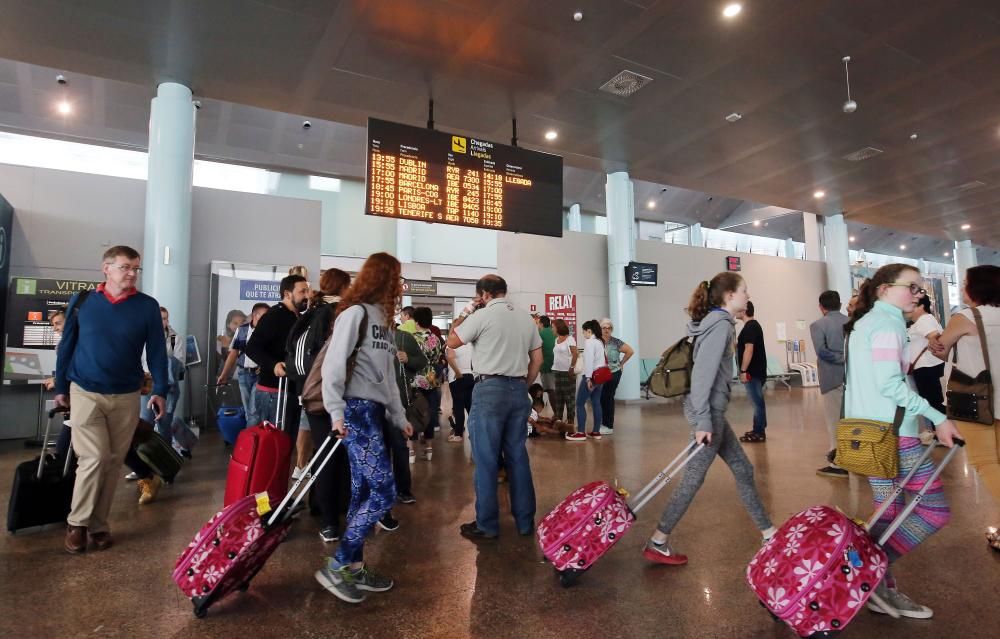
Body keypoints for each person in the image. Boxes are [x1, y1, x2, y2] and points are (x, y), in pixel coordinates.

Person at [844, 263, 961, 618]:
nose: (918, 293)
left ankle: (877, 583)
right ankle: (872, 572)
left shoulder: (866, 323)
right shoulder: (887, 325)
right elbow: (889, 385)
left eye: (920, 288)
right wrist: (939, 417)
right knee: (933, 510)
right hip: (895, 435)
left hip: (867, 432)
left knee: (888, 510)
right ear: (884, 289)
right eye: (911, 287)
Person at [645, 273, 777, 566]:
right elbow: (703, 375)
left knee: (743, 469)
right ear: (729, 296)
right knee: (693, 477)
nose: (747, 294)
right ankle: (658, 539)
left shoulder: (715, 323)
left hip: (709, 410)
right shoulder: (720, 326)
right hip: (707, 412)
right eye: (744, 290)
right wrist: (704, 420)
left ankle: (769, 532)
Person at [54, 245, 168, 554]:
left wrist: (161, 389)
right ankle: (77, 523)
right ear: (106, 268)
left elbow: (157, 351)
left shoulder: (146, 306)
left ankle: (98, 525)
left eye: (135, 268)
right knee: (93, 458)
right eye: (125, 267)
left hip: (127, 394)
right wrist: (61, 386)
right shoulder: (83, 302)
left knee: (113, 461)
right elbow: (66, 347)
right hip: (85, 391)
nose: (131, 273)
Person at [314, 252, 414, 604]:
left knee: (361, 494)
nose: (400, 285)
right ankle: (338, 563)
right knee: (385, 492)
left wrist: (400, 418)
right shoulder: (354, 314)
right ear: (382, 278)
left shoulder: (384, 323)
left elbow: (388, 379)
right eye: (397, 278)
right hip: (355, 411)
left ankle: (354, 567)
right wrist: (336, 411)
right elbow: (333, 365)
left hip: (372, 412)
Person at [448, 274, 542, 541]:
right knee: (517, 456)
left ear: (483, 294)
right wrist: (525, 384)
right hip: (518, 390)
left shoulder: (481, 315)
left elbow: (452, 341)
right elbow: (537, 357)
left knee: (487, 459)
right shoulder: (525, 317)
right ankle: (525, 523)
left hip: (489, 390)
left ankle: (487, 525)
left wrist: (469, 309)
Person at [928, 264, 1000, 552]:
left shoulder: (967, 316)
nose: (962, 288)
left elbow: (941, 349)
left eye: (965, 283)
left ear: (975, 288)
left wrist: (933, 339)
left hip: (979, 398)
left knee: (984, 462)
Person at [297, 268, 353, 543]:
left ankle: (323, 510)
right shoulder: (336, 314)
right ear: (343, 288)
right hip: (328, 394)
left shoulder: (311, 312)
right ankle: (331, 520)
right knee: (333, 457)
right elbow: (336, 361)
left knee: (324, 455)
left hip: (311, 394)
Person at [244, 274, 310, 445]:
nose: (307, 295)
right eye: (302, 291)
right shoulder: (275, 315)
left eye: (307, 291)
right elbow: (252, 347)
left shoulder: (296, 317)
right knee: (273, 446)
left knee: (285, 445)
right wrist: (273, 365)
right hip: (274, 392)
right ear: (288, 294)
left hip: (289, 392)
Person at [809, 290, 850, 478]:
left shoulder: (818, 325)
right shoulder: (851, 322)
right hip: (853, 379)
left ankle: (838, 462)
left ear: (821, 307)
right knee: (851, 420)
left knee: (834, 422)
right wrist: (850, 359)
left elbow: (822, 352)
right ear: (840, 304)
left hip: (832, 379)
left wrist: (842, 359)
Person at [217, 302, 269, 425]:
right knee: (248, 412)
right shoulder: (242, 330)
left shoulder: (269, 331)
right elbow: (233, 354)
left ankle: (250, 443)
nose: (269, 319)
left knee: (254, 412)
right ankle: (253, 439)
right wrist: (224, 375)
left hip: (260, 375)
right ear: (255, 315)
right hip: (243, 373)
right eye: (265, 315)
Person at [392, 320, 425, 504]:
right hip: (374, 404)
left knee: (399, 448)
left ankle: (403, 489)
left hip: (400, 404)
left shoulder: (404, 338)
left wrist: (409, 359)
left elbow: (422, 361)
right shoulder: (366, 336)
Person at [907, 294, 945, 442]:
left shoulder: (924, 320)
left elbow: (935, 336)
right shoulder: (921, 321)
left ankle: (941, 433)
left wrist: (934, 344)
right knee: (931, 401)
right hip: (925, 367)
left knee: (933, 401)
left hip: (927, 367)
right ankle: (937, 432)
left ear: (921, 306)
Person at [410, 307, 445, 461]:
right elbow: (437, 359)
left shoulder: (411, 338)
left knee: (413, 414)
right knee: (428, 413)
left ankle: (411, 451)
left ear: (416, 321)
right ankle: (429, 449)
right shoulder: (435, 339)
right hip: (431, 380)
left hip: (414, 380)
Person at [566, 319, 606, 441]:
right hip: (601, 376)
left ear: (589, 331)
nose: (583, 334)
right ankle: (596, 431)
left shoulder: (589, 342)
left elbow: (589, 362)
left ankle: (581, 432)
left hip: (591, 376)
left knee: (579, 403)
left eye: (584, 332)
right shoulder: (600, 342)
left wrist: (588, 378)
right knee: (596, 403)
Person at [737, 302, 768, 443]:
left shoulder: (750, 327)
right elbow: (743, 348)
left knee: (757, 403)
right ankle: (757, 428)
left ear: (744, 311)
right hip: (756, 371)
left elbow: (749, 350)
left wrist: (743, 370)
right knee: (757, 402)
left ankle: (759, 432)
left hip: (753, 372)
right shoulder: (751, 326)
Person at [598, 318, 634, 435]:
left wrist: (622, 363)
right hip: (601, 373)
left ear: (611, 330)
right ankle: (603, 422)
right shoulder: (597, 342)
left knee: (608, 397)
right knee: (602, 398)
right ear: (600, 329)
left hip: (614, 373)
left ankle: (608, 425)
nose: (606, 330)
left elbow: (630, 351)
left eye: (609, 328)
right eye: (604, 328)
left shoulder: (616, 342)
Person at [550, 319, 577, 425]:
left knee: (568, 397)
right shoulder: (556, 339)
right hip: (556, 371)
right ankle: (559, 420)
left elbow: (575, 354)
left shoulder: (570, 339)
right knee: (558, 396)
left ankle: (570, 421)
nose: (552, 329)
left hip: (567, 372)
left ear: (558, 327)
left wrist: (572, 367)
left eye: (553, 327)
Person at [446, 343, 475, 442]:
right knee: (470, 406)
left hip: (457, 377)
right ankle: (474, 433)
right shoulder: (470, 343)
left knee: (458, 406)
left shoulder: (452, 344)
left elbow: (450, 358)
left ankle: (458, 434)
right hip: (471, 376)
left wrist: (457, 372)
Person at [534, 314, 556, 407]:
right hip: (557, 367)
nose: (537, 325)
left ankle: (557, 415)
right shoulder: (554, 332)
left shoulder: (540, 334)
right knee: (555, 391)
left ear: (541, 324)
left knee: (551, 391)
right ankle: (559, 414)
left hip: (546, 367)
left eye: (538, 323)